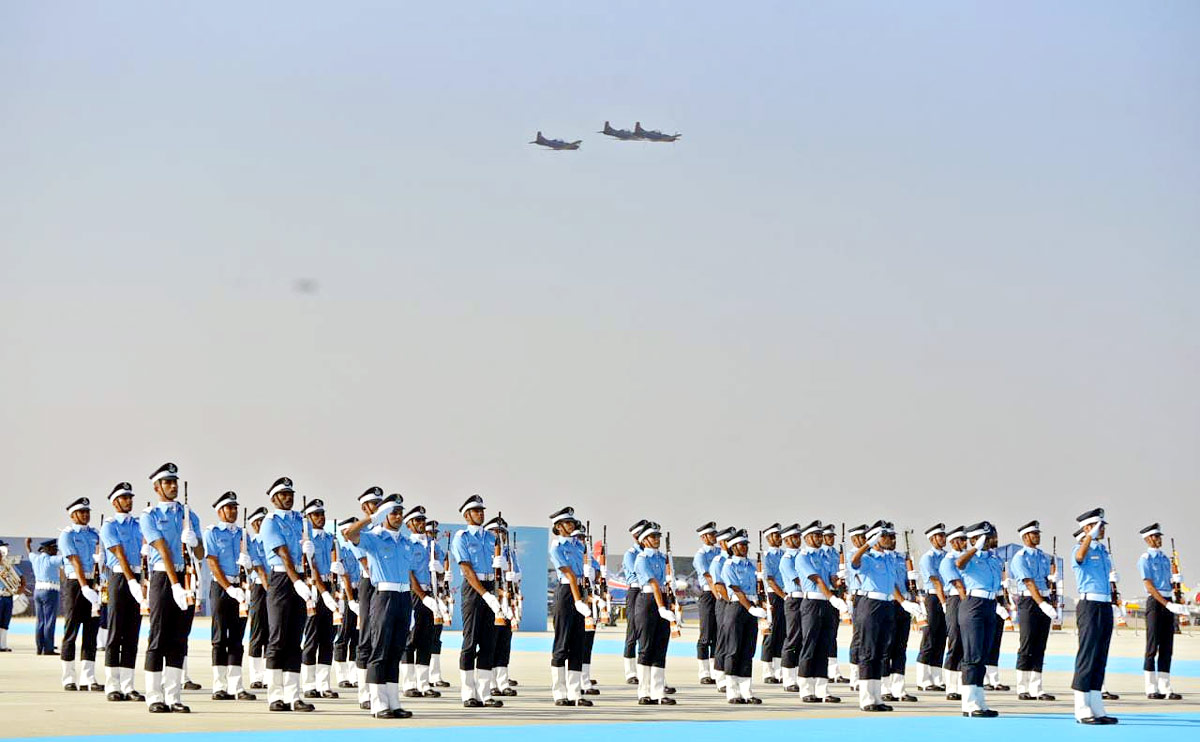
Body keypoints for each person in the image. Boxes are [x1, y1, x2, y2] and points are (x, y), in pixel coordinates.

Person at [343, 496, 417, 719]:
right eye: (393, 513)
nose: (398, 517)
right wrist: (370, 518)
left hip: (404, 597)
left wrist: (411, 607)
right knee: (380, 650)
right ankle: (378, 703)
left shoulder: (405, 542)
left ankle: (393, 702)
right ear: (384, 516)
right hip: (383, 596)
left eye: (400, 513)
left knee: (396, 651)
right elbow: (349, 534)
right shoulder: (374, 538)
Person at [140, 462, 202, 713]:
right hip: (163, 579)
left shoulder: (189, 514)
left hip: (187, 576)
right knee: (158, 637)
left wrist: (194, 540)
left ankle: (174, 696)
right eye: (167, 482)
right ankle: (154, 696)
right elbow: (162, 548)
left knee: (179, 639)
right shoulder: (149, 516)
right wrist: (175, 584)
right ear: (157, 487)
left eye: (175, 481)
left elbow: (200, 552)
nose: (173, 485)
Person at [258, 476, 316, 712]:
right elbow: (283, 553)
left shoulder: (301, 521)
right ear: (274, 498)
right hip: (282, 579)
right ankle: (275, 695)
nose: (288, 498)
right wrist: (297, 582)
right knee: (278, 638)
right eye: (283, 494)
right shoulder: (270, 522)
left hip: (299, 576)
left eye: (290, 494)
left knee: (295, 640)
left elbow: (303, 556)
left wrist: (308, 553)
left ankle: (294, 695)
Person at [451, 494, 505, 708]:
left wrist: (501, 574)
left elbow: (500, 570)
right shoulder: (462, 538)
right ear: (467, 514)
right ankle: (468, 693)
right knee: (470, 642)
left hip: (492, 587)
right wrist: (485, 594)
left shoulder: (493, 539)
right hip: (474, 591)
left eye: (482, 510)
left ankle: (485, 693)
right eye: (476, 510)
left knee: (489, 643)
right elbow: (466, 569)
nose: (481, 513)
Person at [202, 491, 255, 702]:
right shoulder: (212, 532)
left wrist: (248, 566)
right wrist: (228, 587)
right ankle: (219, 686)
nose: (233, 511)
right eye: (229, 508)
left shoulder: (243, 535)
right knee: (219, 638)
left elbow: (253, 562)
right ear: (220, 511)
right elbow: (212, 563)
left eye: (235, 508)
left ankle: (236, 686)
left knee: (237, 639)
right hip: (221, 588)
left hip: (240, 588)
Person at [99, 482, 146, 702]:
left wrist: (140, 581)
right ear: (115, 502)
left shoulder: (138, 524)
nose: (129, 501)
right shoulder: (109, 526)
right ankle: (112, 685)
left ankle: (128, 685)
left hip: (136, 576)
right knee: (115, 632)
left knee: (132, 634)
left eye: (130, 497)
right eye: (125, 498)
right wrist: (131, 581)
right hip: (119, 578)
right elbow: (118, 553)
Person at [1071, 508, 1118, 724]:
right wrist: (1089, 535)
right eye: (1100, 525)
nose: (1104, 529)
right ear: (1088, 527)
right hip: (1089, 604)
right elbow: (1080, 557)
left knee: (1100, 656)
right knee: (1087, 655)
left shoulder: (1103, 551)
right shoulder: (1079, 549)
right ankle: (1081, 708)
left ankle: (1097, 706)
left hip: (1104, 604)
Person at [793, 520, 848, 703]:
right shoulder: (802, 557)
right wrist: (832, 597)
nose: (818, 538)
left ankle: (822, 689)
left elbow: (831, 579)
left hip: (826, 603)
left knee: (824, 645)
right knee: (810, 645)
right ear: (807, 538)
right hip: (812, 602)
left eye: (819, 535)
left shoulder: (825, 556)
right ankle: (806, 689)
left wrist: (839, 582)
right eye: (815, 536)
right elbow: (817, 579)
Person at [955, 521, 1002, 718]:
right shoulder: (970, 557)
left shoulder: (993, 559)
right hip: (973, 604)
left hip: (990, 605)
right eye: (987, 537)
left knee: (982, 656)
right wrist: (975, 547)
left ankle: (979, 701)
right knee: (972, 655)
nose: (992, 540)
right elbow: (959, 564)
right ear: (976, 539)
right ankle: (969, 703)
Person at [1137, 522, 1187, 700]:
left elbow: (1171, 584)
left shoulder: (1166, 559)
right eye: (1156, 537)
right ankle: (1151, 687)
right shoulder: (1145, 559)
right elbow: (1149, 586)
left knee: (1167, 646)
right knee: (1152, 646)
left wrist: (1176, 583)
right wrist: (1166, 604)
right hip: (1156, 602)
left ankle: (1165, 686)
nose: (1159, 540)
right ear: (1148, 538)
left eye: (1159, 537)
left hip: (1169, 601)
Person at [548, 507, 592, 706]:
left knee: (578, 646)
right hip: (567, 595)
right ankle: (559, 692)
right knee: (562, 644)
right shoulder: (556, 547)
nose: (571, 525)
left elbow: (584, 574)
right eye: (567, 523)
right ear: (558, 526)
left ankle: (575, 693)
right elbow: (570, 575)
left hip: (580, 593)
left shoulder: (580, 546)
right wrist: (577, 601)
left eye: (572, 522)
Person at [1009, 520, 1057, 701]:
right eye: (1034, 534)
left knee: (1040, 645)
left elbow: (1045, 580)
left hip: (1043, 597)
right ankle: (1022, 687)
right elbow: (1028, 582)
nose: (1037, 536)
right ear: (1025, 536)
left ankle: (1037, 688)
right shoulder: (1020, 557)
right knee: (1027, 643)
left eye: (1038, 533)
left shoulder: (1043, 557)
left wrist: (1052, 580)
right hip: (1029, 601)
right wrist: (1042, 604)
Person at [59, 496, 103, 693]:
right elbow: (75, 561)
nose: (85, 515)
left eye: (87, 512)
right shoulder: (67, 535)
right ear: (72, 514)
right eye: (81, 512)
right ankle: (68, 677)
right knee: (71, 630)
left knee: (91, 632)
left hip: (94, 582)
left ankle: (88, 677)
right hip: (75, 585)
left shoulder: (95, 534)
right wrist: (85, 587)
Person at [720, 528, 767, 704]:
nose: (745, 547)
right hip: (737, 608)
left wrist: (762, 606)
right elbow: (736, 590)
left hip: (751, 607)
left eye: (746, 544)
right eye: (741, 544)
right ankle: (732, 691)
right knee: (733, 649)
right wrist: (750, 608)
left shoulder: (752, 566)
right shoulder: (729, 565)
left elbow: (758, 589)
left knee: (748, 650)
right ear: (733, 546)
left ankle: (747, 691)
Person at [299, 499, 341, 700]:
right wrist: (323, 592)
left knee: (328, 639)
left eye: (322, 514)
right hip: (314, 591)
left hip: (330, 588)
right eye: (315, 514)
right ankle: (309, 684)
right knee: (312, 638)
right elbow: (311, 568)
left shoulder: (330, 539)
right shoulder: (305, 540)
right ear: (307, 518)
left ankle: (324, 684)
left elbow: (335, 563)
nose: (320, 518)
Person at [402, 505, 444, 699]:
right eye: (417, 521)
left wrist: (441, 569)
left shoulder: (433, 545)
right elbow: (409, 573)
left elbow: (442, 572)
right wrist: (423, 596)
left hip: (432, 594)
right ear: (409, 524)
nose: (420, 524)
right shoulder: (407, 544)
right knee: (411, 639)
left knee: (427, 639)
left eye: (422, 521)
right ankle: (409, 684)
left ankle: (424, 683)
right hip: (415, 595)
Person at [633, 522, 676, 705]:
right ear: (644, 540)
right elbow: (653, 584)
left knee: (660, 648)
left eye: (658, 536)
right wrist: (661, 608)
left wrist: (673, 604)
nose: (657, 539)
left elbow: (666, 585)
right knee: (646, 647)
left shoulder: (663, 558)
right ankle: (644, 692)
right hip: (649, 603)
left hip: (663, 601)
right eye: (653, 537)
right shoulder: (642, 559)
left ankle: (658, 692)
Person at [351, 487, 386, 709]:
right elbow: (366, 562)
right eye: (374, 504)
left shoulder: (386, 530)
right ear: (365, 508)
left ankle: (380, 689)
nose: (378, 507)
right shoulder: (360, 531)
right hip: (369, 584)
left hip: (385, 586)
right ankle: (364, 693)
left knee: (382, 637)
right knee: (365, 637)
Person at [881, 529, 917, 703]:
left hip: (904, 605)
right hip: (890, 603)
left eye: (894, 537)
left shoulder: (902, 558)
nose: (892, 540)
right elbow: (889, 583)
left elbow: (907, 583)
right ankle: (885, 687)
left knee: (900, 648)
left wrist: (913, 593)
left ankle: (899, 688)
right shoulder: (880, 559)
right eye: (888, 537)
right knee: (886, 647)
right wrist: (902, 600)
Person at [486, 516, 520, 697]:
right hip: (492, 602)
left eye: (503, 532)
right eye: (496, 532)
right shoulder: (486, 551)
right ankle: (490, 682)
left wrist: (514, 575)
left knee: (504, 643)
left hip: (508, 601)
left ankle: (502, 680)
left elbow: (518, 574)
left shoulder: (509, 554)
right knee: (490, 643)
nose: (500, 535)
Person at [915, 523, 948, 692]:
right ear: (932, 539)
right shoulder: (928, 558)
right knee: (929, 637)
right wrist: (943, 603)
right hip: (934, 598)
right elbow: (935, 582)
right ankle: (923, 680)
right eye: (940, 536)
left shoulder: (947, 556)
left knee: (941, 638)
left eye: (944, 536)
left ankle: (936, 677)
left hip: (946, 597)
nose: (944, 539)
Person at [939, 526, 968, 701]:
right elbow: (957, 584)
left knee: (967, 642)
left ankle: (964, 683)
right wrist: (968, 602)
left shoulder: (967, 559)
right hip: (957, 600)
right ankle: (951, 686)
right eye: (962, 540)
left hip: (967, 599)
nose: (965, 543)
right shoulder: (948, 560)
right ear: (953, 542)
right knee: (955, 640)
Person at [332, 517, 362, 689]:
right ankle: (342, 675)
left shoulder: (359, 548)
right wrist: (350, 600)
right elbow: (345, 576)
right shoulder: (341, 551)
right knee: (343, 635)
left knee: (357, 635)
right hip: (345, 593)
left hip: (360, 592)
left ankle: (354, 674)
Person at [244, 507, 271, 689]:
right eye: (259, 522)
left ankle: (270, 675)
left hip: (275, 587)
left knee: (272, 632)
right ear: (254, 525)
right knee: (257, 632)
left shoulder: (272, 541)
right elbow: (259, 568)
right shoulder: (251, 543)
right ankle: (256, 676)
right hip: (261, 588)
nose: (262, 525)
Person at [776, 523, 804, 692]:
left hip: (807, 599)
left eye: (799, 536)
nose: (798, 540)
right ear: (786, 540)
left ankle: (801, 676)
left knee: (805, 638)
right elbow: (800, 580)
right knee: (793, 638)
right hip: (794, 599)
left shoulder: (803, 555)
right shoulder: (786, 560)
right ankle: (788, 679)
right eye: (794, 537)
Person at [424, 519, 452, 689]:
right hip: (423, 594)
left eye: (434, 534)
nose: (432, 537)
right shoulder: (418, 547)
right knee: (421, 638)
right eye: (429, 534)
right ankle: (420, 677)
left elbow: (442, 574)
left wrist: (444, 575)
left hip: (438, 596)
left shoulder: (439, 550)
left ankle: (435, 676)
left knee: (436, 637)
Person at [621, 519, 649, 684]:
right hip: (636, 590)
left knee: (647, 632)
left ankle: (644, 670)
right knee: (632, 632)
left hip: (649, 592)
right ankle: (630, 672)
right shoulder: (631, 554)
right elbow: (638, 573)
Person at [692, 521, 720, 684]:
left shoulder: (720, 552)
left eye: (715, 534)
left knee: (718, 634)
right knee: (706, 634)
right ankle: (704, 672)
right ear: (703, 537)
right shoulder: (701, 555)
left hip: (719, 594)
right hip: (709, 595)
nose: (714, 537)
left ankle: (716, 671)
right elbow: (708, 577)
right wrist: (718, 595)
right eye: (711, 534)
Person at [758, 523, 786, 684]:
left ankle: (779, 669)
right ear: (769, 538)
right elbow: (769, 579)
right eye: (776, 535)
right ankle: (767, 671)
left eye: (780, 535)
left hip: (785, 595)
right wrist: (783, 595)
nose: (780, 538)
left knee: (783, 633)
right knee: (771, 633)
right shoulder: (766, 557)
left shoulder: (785, 554)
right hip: (773, 596)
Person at [708, 527, 734, 692]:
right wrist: (731, 601)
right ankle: (720, 677)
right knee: (723, 639)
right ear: (722, 543)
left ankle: (733, 675)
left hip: (739, 603)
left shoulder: (739, 559)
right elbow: (719, 586)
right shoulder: (718, 561)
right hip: (726, 603)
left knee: (735, 641)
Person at [28, 538, 63, 655]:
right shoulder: (53, 560)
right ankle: (48, 649)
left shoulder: (36, 558)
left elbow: (29, 553)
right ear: (47, 549)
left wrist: (27, 544)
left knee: (40, 621)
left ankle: (39, 647)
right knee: (49, 621)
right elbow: (67, 558)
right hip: (50, 591)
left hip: (37, 591)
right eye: (54, 548)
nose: (56, 551)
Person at [821, 524, 847, 683]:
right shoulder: (820, 554)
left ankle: (833, 671)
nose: (831, 539)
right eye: (828, 536)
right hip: (824, 594)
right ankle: (822, 669)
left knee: (832, 633)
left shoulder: (837, 554)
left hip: (836, 594)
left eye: (832, 537)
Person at [843, 524, 867, 691]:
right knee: (858, 636)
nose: (865, 540)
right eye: (862, 537)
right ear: (854, 539)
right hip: (858, 597)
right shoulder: (852, 555)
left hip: (870, 597)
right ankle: (855, 675)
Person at [0, 540, 23, 652]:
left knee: (5, 622)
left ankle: (3, 645)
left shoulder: (8, 566)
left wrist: (19, 589)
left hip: (8, 596)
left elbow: (21, 578)